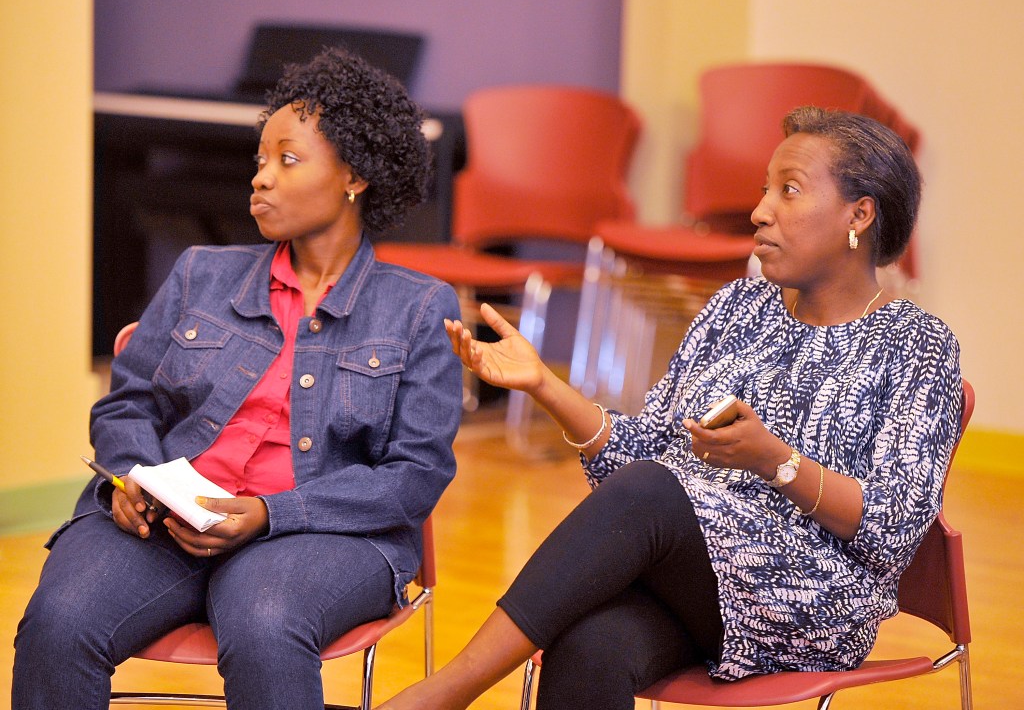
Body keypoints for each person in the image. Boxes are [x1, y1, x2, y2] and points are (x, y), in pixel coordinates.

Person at [376, 106, 963, 710]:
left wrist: (775, 461)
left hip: (811, 598)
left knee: (653, 492)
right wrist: (545, 386)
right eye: (766, 190)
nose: (760, 211)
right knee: (588, 646)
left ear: (859, 215)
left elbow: (892, 531)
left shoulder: (917, 347)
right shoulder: (739, 307)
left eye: (788, 191)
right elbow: (637, 455)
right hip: (694, 575)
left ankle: (446, 693)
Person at [13, 47, 462, 709]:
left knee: (264, 619)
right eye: (259, 161)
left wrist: (268, 515)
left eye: (288, 159)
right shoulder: (200, 273)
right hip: (166, 527)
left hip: (322, 537)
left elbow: (414, 477)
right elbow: (126, 404)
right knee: (59, 621)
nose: (261, 179)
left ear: (354, 177)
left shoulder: (420, 308)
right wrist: (130, 478)